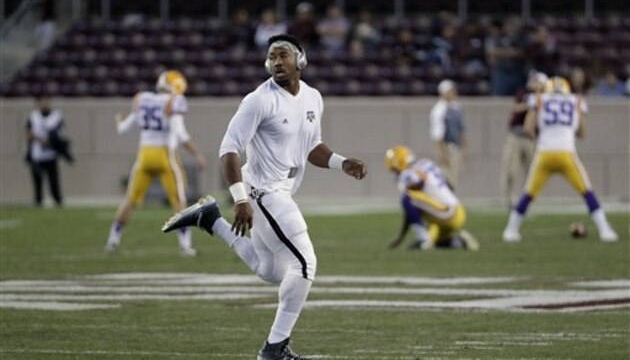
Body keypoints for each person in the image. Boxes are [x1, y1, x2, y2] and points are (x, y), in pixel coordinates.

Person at [161, 34, 367, 360]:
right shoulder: (259, 99)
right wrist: (241, 199)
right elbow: (229, 150)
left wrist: (342, 163)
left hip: (281, 191)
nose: (276, 62)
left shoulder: (313, 97)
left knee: (271, 270)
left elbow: (311, 146)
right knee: (304, 264)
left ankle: (211, 220)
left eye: (283, 55)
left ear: (301, 59)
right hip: (262, 192)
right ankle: (273, 350)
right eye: (271, 57)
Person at [502, 77, 619, 243]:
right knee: (587, 192)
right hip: (566, 154)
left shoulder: (539, 99)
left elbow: (528, 128)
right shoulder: (576, 101)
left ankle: (510, 230)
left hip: (545, 153)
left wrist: (542, 136)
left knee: (528, 193)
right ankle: (605, 230)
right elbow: (582, 134)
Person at [105, 70, 207, 255]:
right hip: (165, 154)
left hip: (144, 155)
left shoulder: (142, 99)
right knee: (179, 200)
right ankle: (185, 245)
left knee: (130, 200)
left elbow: (123, 129)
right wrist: (198, 154)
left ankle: (113, 240)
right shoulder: (173, 101)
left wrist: (118, 120)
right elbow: (180, 134)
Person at [384, 145, 479, 251]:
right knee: (433, 242)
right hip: (458, 210)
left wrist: (402, 236)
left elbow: (410, 199)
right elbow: (449, 185)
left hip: (446, 213)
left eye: (394, 168)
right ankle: (459, 242)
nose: (394, 171)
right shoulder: (426, 163)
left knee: (408, 197)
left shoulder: (408, 173)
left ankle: (422, 238)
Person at [499, 70, 546, 208]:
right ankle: (508, 199)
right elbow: (516, 108)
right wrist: (531, 104)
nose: (533, 82)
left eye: (537, 81)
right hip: (516, 136)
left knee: (532, 172)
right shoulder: (524, 94)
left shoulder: (545, 98)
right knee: (510, 171)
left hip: (531, 138)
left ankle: (529, 202)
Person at [25, 96, 72, 206]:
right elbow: (28, 132)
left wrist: (52, 140)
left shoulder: (56, 115)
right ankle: (38, 200)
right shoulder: (33, 116)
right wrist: (41, 140)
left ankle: (57, 199)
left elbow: (60, 131)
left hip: (51, 153)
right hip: (37, 153)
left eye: (46, 101)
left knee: (53, 179)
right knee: (37, 178)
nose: (44, 104)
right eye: (42, 102)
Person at [430, 79, 466, 189]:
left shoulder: (456, 107)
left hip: (455, 146)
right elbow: (437, 133)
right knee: (446, 179)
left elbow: (461, 129)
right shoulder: (439, 110)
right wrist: (440, 152)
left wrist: (464, 146)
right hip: (446, 146)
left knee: (454, 178)